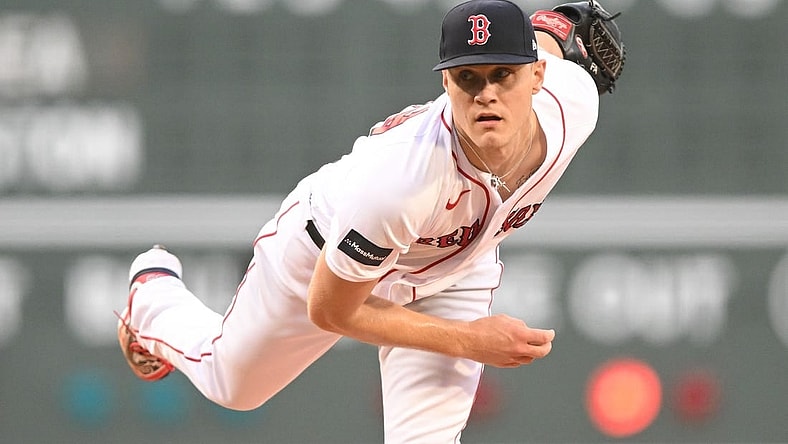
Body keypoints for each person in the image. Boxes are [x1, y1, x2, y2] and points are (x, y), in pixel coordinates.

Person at [117, 0, 622, 441]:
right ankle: (153, 296)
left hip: (450, 272)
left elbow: (549, 50)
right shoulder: (401, 182)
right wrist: (470, 341)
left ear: (535, 78)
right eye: (467, 77)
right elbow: (332, 311)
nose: (485, 93)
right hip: (324, 254)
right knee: (232, 385)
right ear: (446, 82)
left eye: (502, 74)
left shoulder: (573, 105)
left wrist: (549, 29)